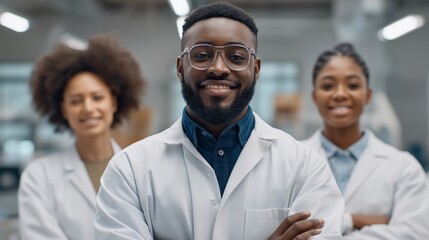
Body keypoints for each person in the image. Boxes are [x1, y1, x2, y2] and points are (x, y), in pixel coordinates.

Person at [94, 2, 344, 240]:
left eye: (236, 57)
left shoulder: (305, 167)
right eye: (202, 55)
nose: (218, 68)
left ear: (256, 69)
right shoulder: (130, 169)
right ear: (180, 67)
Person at [18, 34, 145, 240]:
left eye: (97, 97)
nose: (88, 108)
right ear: (63, 109)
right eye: (76, 100)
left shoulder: (141, 170)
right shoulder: (38, 177)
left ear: (113, 102)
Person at [303, 43, 429, 239]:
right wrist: (354, 220)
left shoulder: (404, 167)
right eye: (328, 86)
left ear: (368, 95)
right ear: (314, 96)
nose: (340, 94)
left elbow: (414, 234)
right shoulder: (292, 160)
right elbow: (281, 228)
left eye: (353, 85)